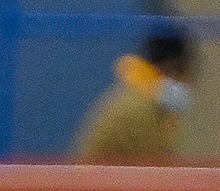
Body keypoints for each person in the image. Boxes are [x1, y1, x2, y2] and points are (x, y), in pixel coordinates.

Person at [74, 30, 194, 162]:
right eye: (185, 75)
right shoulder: (139, 109)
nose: (188, 83)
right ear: (173, 70)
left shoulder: (136, 97)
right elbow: (159, 167)